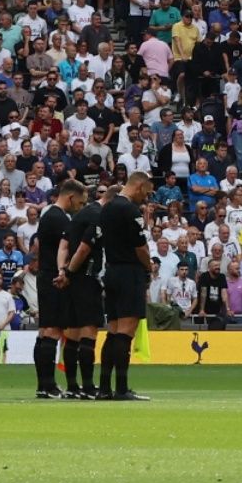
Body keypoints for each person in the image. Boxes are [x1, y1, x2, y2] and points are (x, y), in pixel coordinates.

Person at [32, 181, 98, 399]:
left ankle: (44, 384)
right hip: (54, 277)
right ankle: (48, 385)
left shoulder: (48, 215)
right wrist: (64, 271)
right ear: (70, 197)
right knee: (52, 331)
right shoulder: (58, 218)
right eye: (80, 202)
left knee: (45, 332)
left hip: (46, 275)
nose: (80, 206)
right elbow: (65, 247)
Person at [95, 172, 154, 401]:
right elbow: (140, 248)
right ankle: (121, 388)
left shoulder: (107, 207)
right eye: (146, 193)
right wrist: (149, 267)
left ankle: (103, 388)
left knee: (113, 330)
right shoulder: (129, 210)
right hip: (129, 272)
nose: (146, 198)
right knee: (126, 332)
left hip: (111, 271)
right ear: (138, 186)